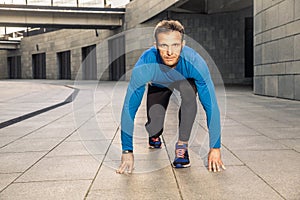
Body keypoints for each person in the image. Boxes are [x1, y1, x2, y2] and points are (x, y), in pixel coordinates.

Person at [116, 19, 225, 174]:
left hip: (183, 81)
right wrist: (127, 151)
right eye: (163, 45)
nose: (169, 52)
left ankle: (182, 146)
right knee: (155, 125)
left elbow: (211, 106)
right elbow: (129, 107)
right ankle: (154, 135)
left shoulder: (195, 63)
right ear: (156, 46)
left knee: (189, 96)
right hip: (158, 85)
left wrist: (215, 147)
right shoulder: (145, 64)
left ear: (183, 45)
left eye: (175, 45)